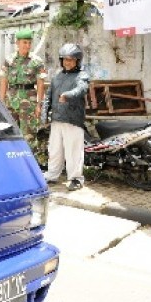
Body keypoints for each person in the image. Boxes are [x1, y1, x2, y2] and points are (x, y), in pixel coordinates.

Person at [42, 43, 90, 191]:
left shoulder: (82, 75)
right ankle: (52, 175)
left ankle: (76, 178)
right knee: (55, 150)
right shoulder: (57, 77)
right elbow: (48, 97)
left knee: (73, 151)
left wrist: (67, 95)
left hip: (73, 119)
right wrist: (45, 115)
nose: (67, 62)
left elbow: (81, 89)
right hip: (57, 119)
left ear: (77, 61)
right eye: (64, 59)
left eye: (70, 60)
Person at [0, 29, 47, 165]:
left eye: (29, 43)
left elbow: (40, 83)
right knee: (9, 132)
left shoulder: (36, 61)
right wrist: (1, 102)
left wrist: (39, 104)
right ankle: (11, 162)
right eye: (24, 42)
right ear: (17, 43)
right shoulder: (9, 60)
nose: (27, 45)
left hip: (29, 100)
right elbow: (3, 81)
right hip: (11, 100)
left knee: (29, 134)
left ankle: (30, 164)